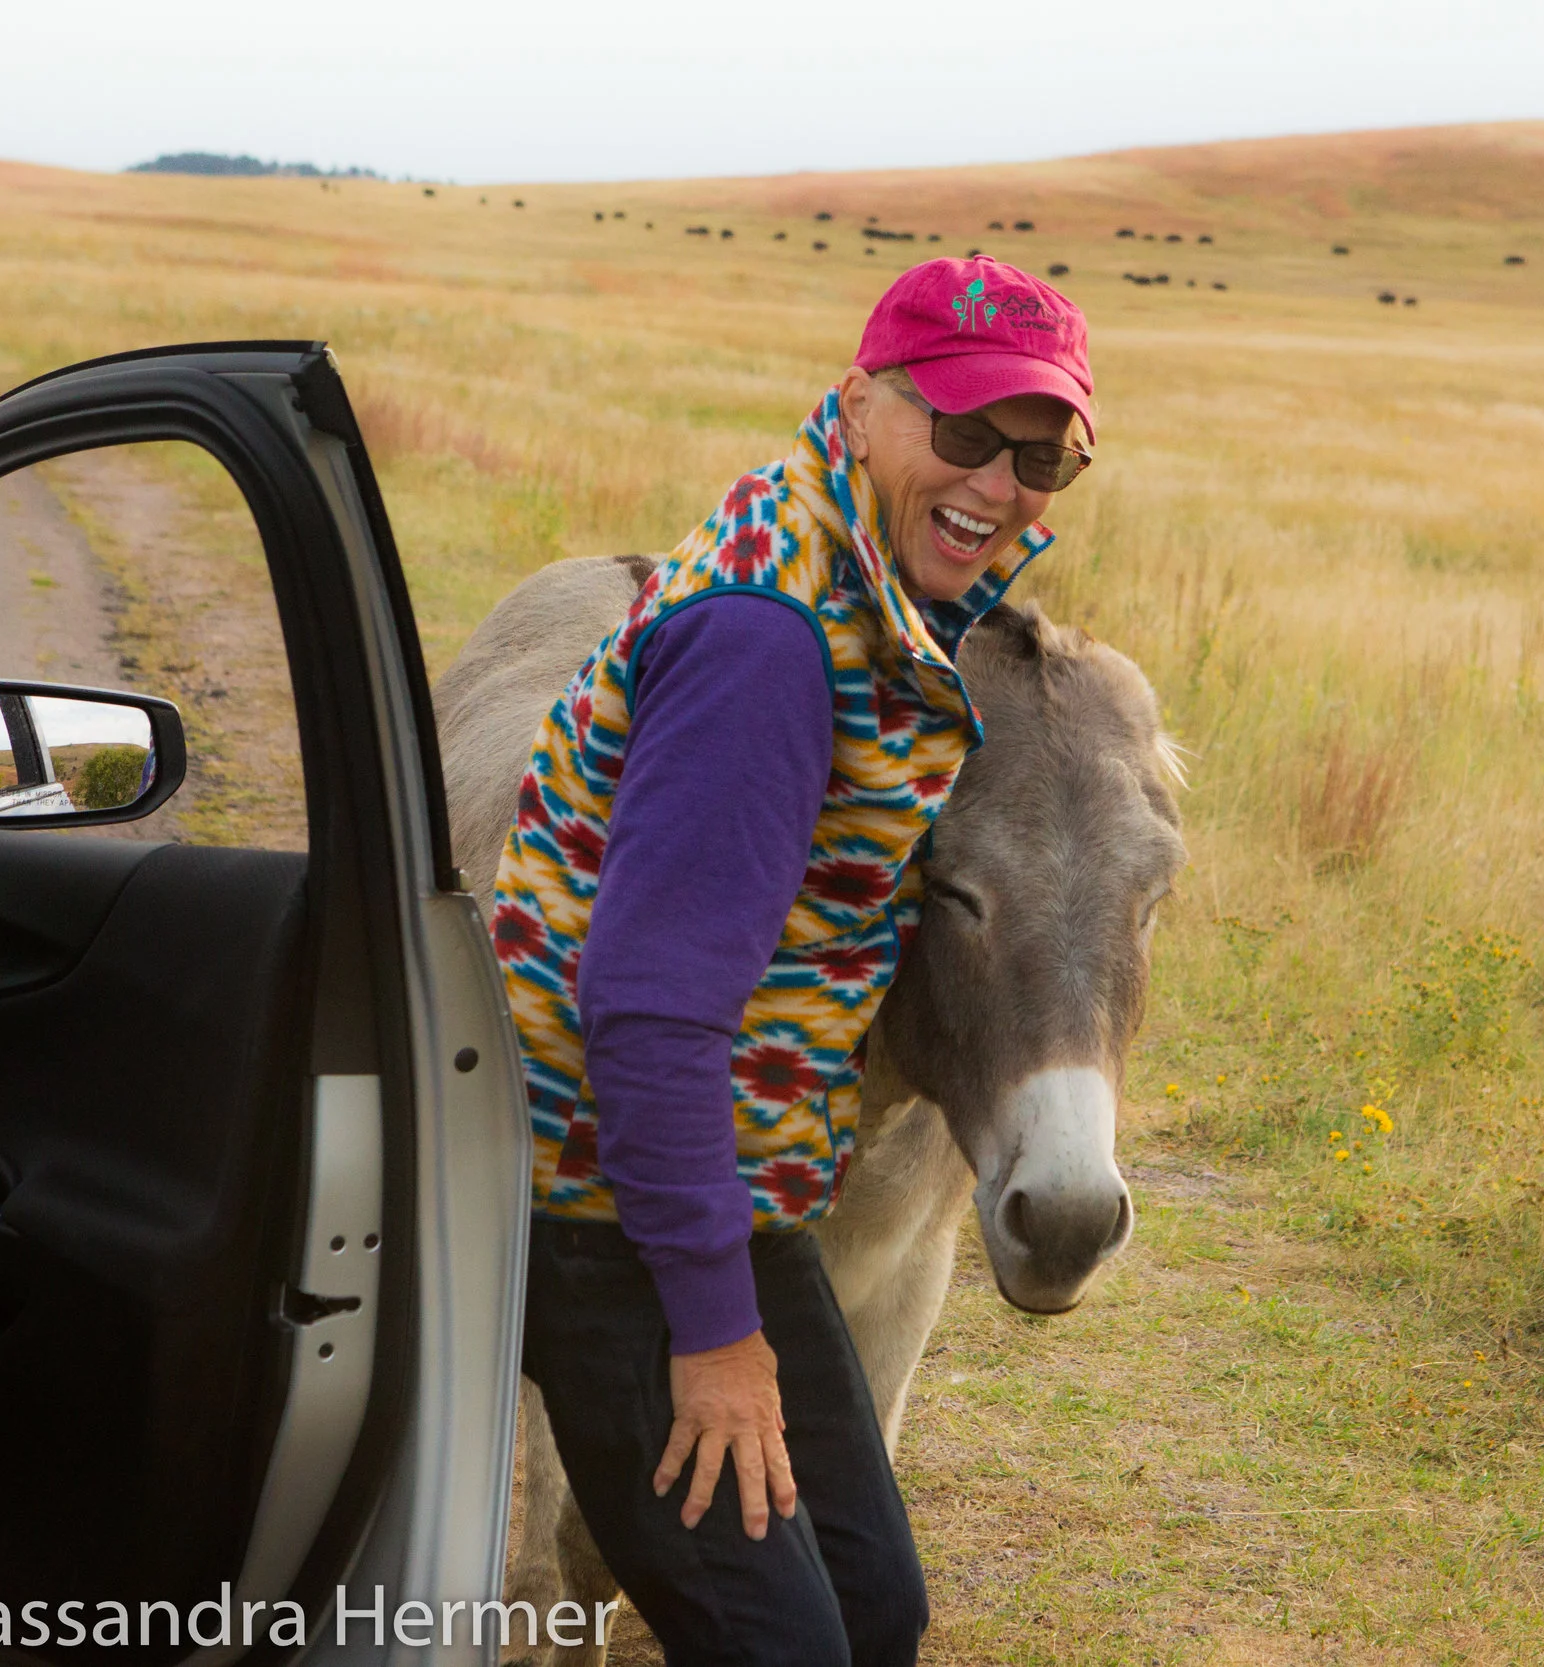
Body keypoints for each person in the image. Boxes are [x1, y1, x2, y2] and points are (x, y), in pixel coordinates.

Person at [494, 256, 1097, 1666]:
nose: (1000, 483)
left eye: (1042, 452)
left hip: (719, 1188)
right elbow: (645, 1014)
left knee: (875, 1609)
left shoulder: (857, 565)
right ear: (863, 408)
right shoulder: (771, 642)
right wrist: (713, 1338)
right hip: (610, 1210)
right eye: (961, 431)